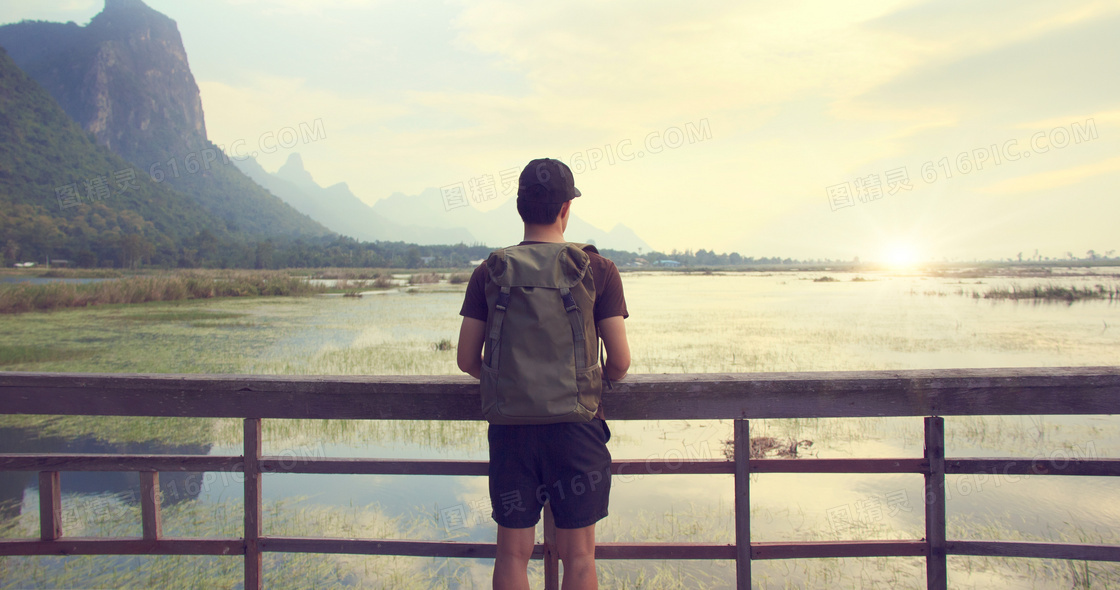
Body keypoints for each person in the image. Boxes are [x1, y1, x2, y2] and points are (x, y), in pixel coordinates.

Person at [457, 158, 631, 590]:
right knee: (579, 558)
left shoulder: (491, 271)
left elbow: (465, 359)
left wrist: (508, 384)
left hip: (511, 430)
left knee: (513, 554)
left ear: (520, 208)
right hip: (577, 429)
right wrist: (590, 384)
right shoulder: (599, 270)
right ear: (565, 210)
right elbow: (621, 363)